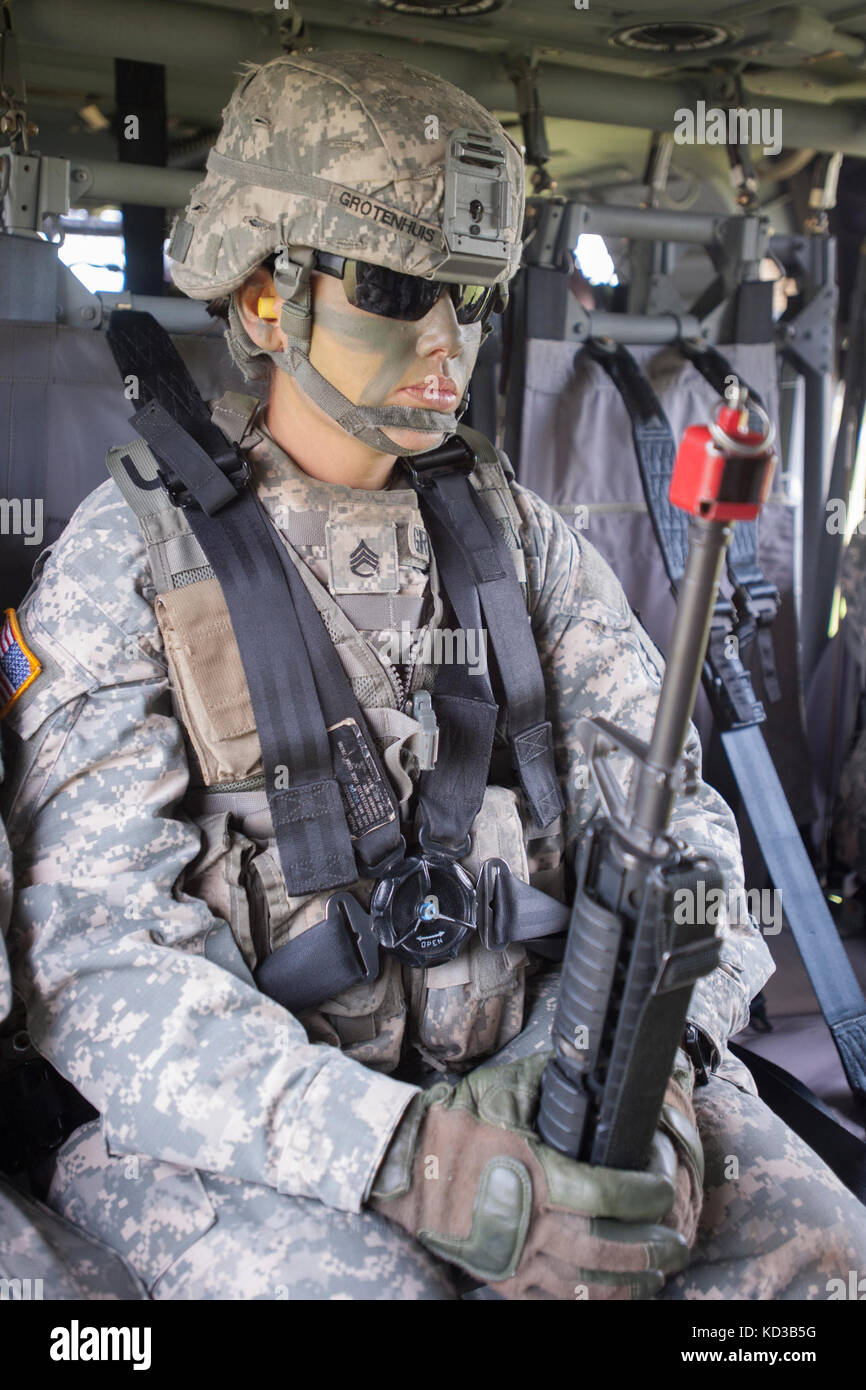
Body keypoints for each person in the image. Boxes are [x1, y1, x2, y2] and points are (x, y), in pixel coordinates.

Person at [1, 49, 865, 1301]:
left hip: (545, 1067)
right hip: (245, 1137)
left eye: (466, 295)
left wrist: (648, 1073)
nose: (442, 341)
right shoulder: (126, 566)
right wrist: (407, 1158)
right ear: (261, 300)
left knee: (818, 1258)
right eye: (397, 287)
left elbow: (679, 834)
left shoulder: (518, 539)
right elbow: (96, 958)